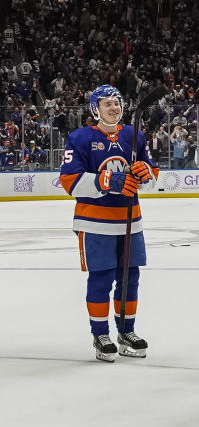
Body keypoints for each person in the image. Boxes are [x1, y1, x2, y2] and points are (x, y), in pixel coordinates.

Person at [58, 85, 159, 362]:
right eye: (107, 104)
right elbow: (69, 181)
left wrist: (145, 173)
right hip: (95, 223)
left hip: (130, 220)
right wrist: (108, 181)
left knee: (130, 279)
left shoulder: (134, 135)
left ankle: (127, 331)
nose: (114, 107)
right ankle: (100, 333)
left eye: (117, 102)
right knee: (101, 278)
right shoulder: (80, 138)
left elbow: (152, 175)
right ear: (95, 109)